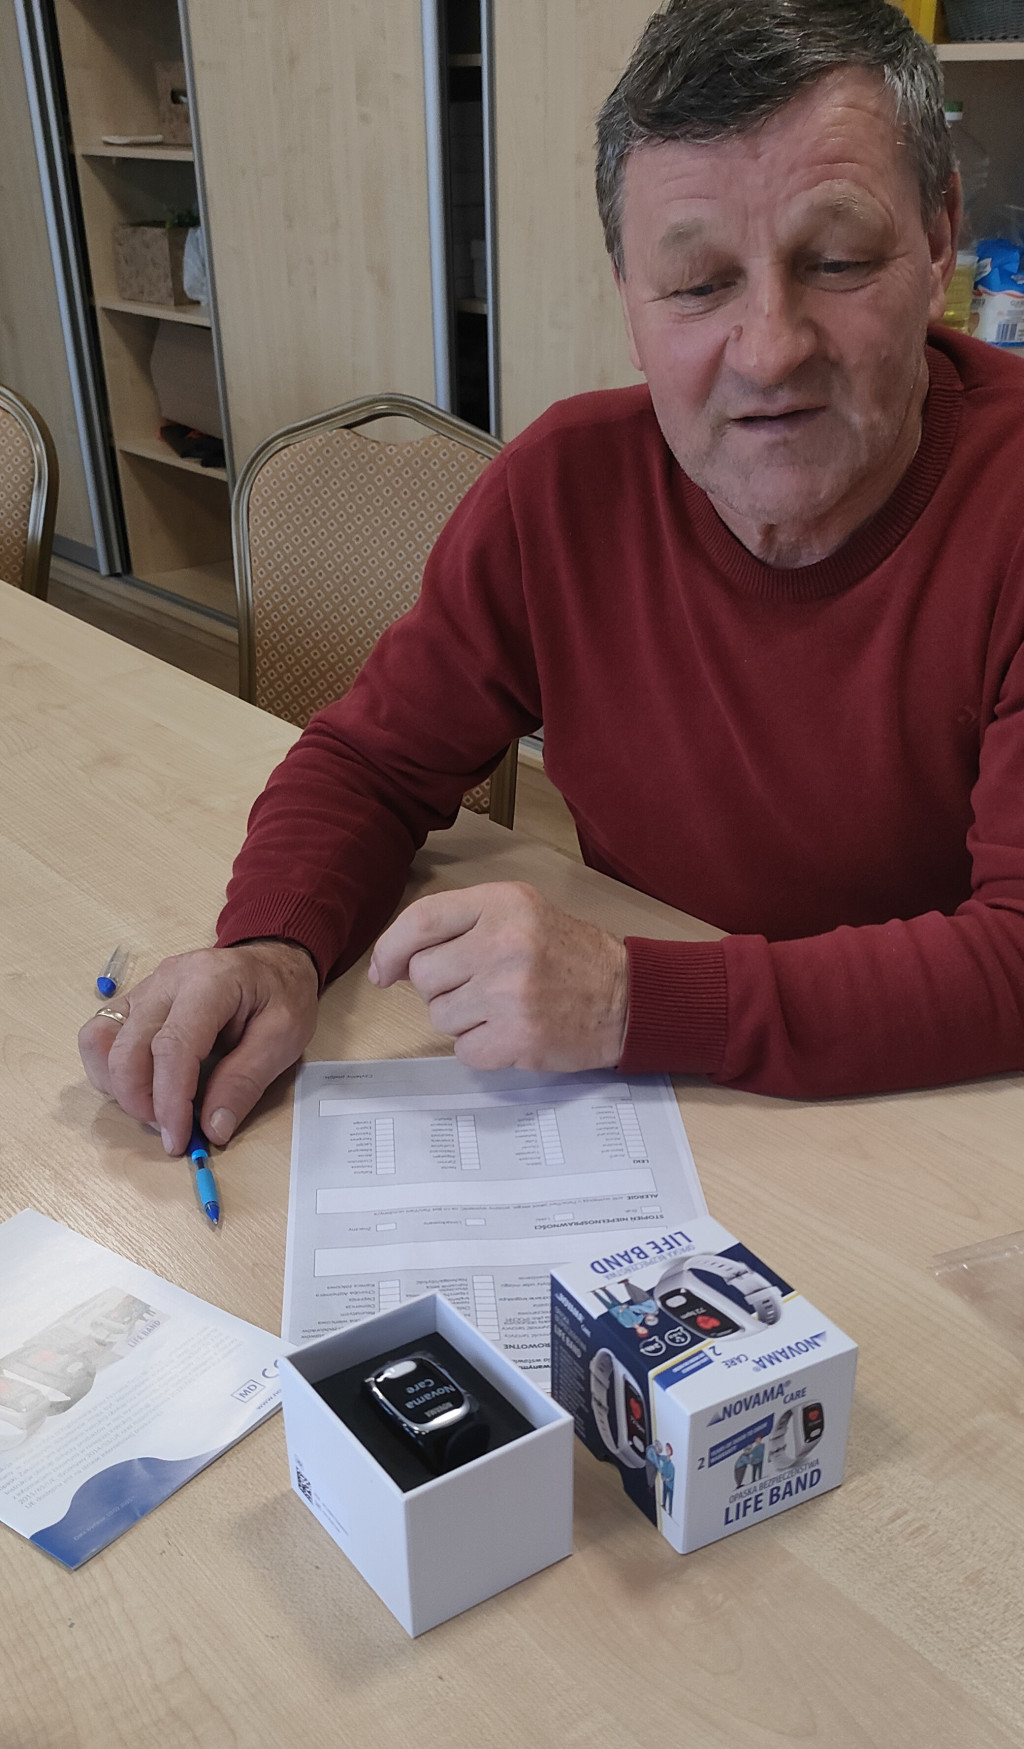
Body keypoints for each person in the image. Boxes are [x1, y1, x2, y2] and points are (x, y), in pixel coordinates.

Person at [80, 0, 1024, 1158]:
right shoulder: (562, 488)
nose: (771, 348)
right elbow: (373, 763)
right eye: (697, 283)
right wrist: (270, 945)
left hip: (940, 1128)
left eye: (836, 261)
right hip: (661, 1122)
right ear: (626, 294)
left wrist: (634, 998)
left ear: (937, 242)